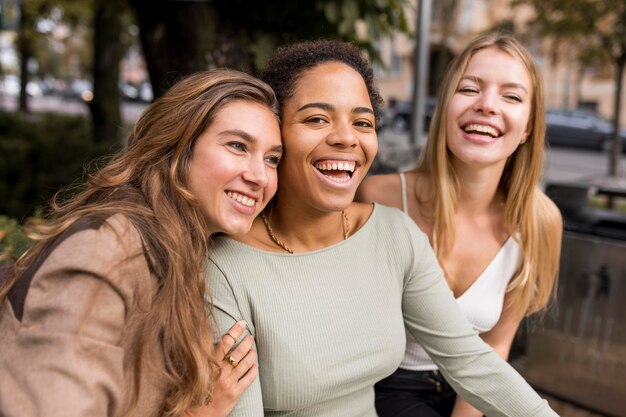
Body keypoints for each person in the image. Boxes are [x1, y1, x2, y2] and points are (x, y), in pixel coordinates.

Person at [205, 39, 559, 417]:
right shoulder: (226, 265)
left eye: (362, 122)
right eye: (316, 119)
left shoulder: (393, 232)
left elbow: (473, 361)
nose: (345, 137)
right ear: (275, 134)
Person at [0, 69, 283, 417]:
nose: (259, 176)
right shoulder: (109, 250)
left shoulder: (178, 244)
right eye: (237, 146)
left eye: (272, 159)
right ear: (176, 147)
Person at [357, 32, 563, 417]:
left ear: (529, 127)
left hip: (471, 388)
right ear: (445, 106)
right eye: (470, 89)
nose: (487, 105)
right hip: (381, 387)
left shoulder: (540, 220)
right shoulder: (379, 197)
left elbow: (494, 348)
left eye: (512, 96)